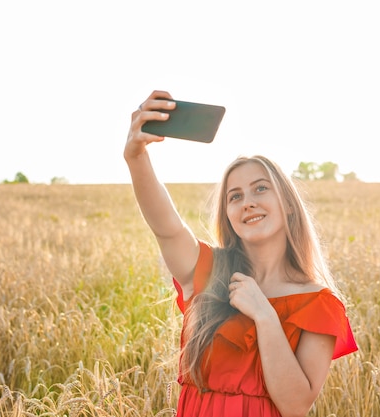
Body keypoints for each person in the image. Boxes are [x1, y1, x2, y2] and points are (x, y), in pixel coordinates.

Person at [124, 90, 358, 417]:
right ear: (229, 216)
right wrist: (136, 157)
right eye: (234, 196)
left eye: (261, 188)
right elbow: (168, 228)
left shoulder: (319, 304)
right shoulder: (208, 271)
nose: (247, 201)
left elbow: (295, 406)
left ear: (289, 204)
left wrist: (264, 316)